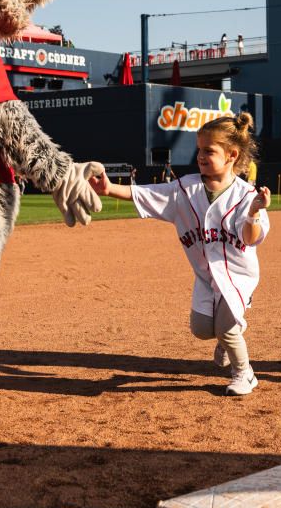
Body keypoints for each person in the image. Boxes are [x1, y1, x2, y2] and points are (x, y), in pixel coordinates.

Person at [91, 112, 271, 396]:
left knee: (226, 327)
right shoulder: (185, 190)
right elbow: (148, 194)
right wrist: (109, 188)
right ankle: (229, 334)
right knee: (201, 329)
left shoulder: (246, 196)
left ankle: (244, 374)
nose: (200, 155)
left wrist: (254, 212)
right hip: (205, 276)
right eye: (199, 149)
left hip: (238, 276)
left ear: (231, 155)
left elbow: (250, 239)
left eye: (209, 150)